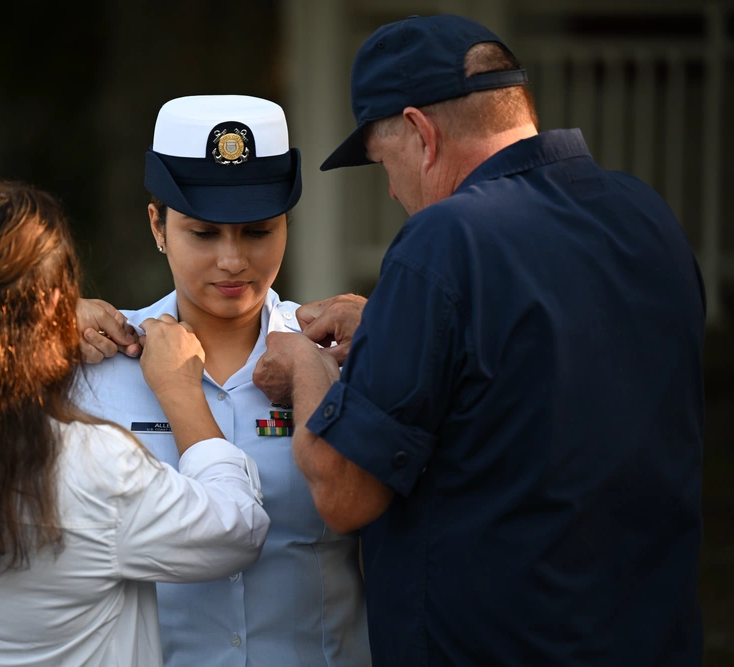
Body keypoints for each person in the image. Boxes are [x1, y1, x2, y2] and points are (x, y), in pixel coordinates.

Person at [252, 14, 706, 667]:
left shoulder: (444, 241)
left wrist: (301, 364)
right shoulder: (646, 217)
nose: (391, 187)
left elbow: (345, 491)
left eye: (385, 161)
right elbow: (542, 354)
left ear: (420, 132)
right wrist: (391, 323)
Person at [0, 180, 271, 667]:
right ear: (52, 301)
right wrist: (181, 391)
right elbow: (237, 529)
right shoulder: (92, 466)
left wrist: (36, 326)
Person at [74, 95, 371, 666]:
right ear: (157, 224)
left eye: (258, 231)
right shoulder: (98, 364)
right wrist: (30, 324)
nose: (233, 260)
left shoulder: (338, 353)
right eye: (204, 233)